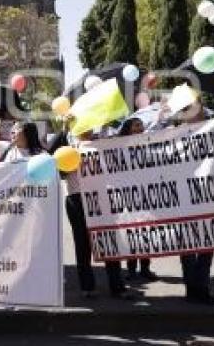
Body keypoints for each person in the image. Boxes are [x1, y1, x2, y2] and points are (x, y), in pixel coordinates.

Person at [62, 128, 134, 300]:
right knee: (83, 244)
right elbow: (61, 172)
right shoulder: (70, 149)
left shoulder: (105, 146)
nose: (86, 129)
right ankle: (88, 287)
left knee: (108, 241)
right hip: (77, 199)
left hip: (102, 197)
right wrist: (64, 130)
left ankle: (116, 287)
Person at [173, 95, 214, 304]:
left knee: (208, 243)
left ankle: (203, 286)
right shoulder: (172, 133)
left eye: (196, 105)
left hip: (211, 193)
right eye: (187, 107)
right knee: (188, 246)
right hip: (183, 196)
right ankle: (192, 287)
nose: (193, 110)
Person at [118, 117, 159, 282]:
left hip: (146, 195)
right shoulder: (119, 146)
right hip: (129, 196)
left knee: (146, 233)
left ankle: (145, 268)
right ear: (128, 129)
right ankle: (131, 269)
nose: (139, 129)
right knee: (132, 232)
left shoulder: (147, 144)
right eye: (136, 126)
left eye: (141, 126)